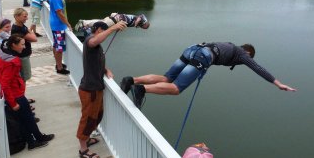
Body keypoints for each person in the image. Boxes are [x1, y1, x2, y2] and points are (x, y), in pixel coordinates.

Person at [121, 42, 296, 109]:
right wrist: (277, 83)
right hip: (202, 56)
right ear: (248, 53)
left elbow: (215, 52)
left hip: (193, 49)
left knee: (167, 78)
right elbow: (258, 68)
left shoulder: (230, 46)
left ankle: (132, 80)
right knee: (175, 89)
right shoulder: (243, 54)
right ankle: (141, 89)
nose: (244, 62)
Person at [0, 34, 54, 150]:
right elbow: (5, 84)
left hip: (11, 95)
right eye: (22, 44)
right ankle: (35, 141)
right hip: (16, 96)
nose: (24, 47)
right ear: (14, 45)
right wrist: (13, 103)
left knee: (23, 119)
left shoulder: (1, 53)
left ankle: (35, 139)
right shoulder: (12, 61)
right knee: (28, 119)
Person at [77, 20, 127, 158]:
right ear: (97, 30)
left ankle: (86, 139)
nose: (104, 35)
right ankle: (83, 149)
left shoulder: (96, 47)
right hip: (89, 90)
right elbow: (94, 41)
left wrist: (106, 70)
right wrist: (113, 28)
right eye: (103, 31)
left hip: (97, 89)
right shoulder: (89, 41)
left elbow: (94, 61)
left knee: (97, 116)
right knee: (87, 119)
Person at [49, 0, 71, 75]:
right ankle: (59, 68)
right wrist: (68, 24)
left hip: (54, 24)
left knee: (56, 45)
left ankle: (58, 63)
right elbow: (60, 14)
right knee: (60, 48)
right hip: (59, 26)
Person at [11, 8, 37, 82]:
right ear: (17, 16)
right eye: (24, 16)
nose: (27, 18)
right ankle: (21, 93)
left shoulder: (21, 25)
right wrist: (30, 31)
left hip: (24, 55)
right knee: (24, 77)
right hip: (23, 56)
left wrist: (28, 33)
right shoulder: (18, 29)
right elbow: (34, 39)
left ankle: (21, 92)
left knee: (23, 77)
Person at [74, 13, 150, 37]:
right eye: (144, 27)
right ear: (144, 24)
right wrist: (137, 22)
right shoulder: (142, 20)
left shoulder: (138, 24)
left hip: (117, 19)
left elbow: (127, 23)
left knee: (102, 22)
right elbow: (140, 17)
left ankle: (86, 25)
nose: (142, 28)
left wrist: (119, 27)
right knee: (102, 25)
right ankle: (84, 24)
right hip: (117, 19)